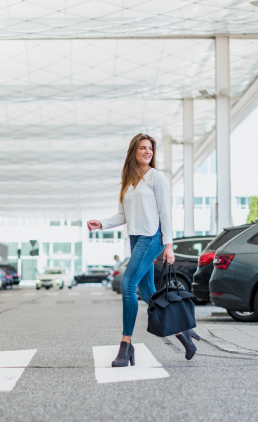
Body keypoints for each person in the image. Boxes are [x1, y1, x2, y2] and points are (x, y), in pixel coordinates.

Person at [87, 133, 198, 366]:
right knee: (149, 293)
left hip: (152, 237)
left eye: (150, 148)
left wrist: (169, 244)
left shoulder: (157, 178)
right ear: (133, 152)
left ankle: (126, 346)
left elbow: (165, 213)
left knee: (128, 285)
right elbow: (123, 215)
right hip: (136, 239)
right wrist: (102, 223)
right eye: (143, 148)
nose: (148, 152)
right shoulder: (128, 180)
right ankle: (183, 334)